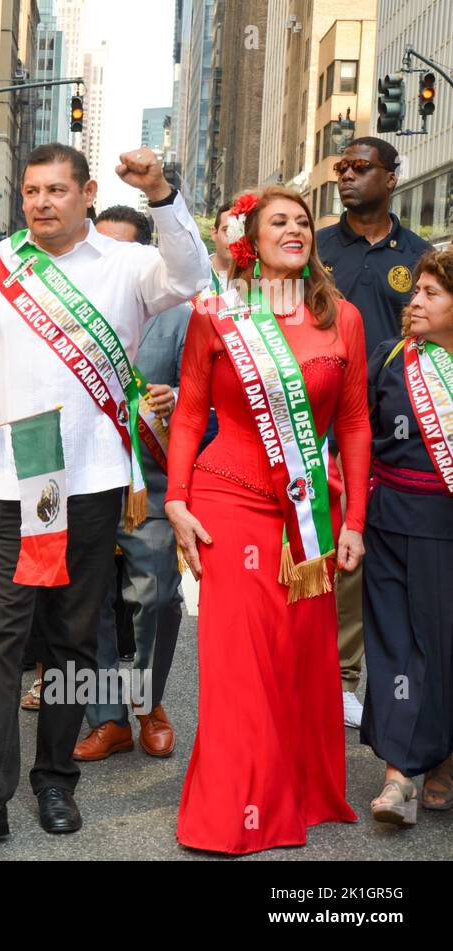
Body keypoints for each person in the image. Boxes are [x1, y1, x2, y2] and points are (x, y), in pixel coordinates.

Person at [0, 142, 209, 843]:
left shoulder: (128, 265)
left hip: (90, 480)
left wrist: (162, 193)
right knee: (0, 635)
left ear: (87, 192)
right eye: (31, 191)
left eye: (57, 190)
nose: (42, 203)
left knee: (72, 636)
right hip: (4, 478)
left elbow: (193, 272)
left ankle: (56, 779)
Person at [166, 186, 369, 854]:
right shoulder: (216, 313)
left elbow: (356, 422)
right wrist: (175, 500)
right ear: (251, 238)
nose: (296, 229)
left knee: (294, 659)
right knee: (237, 661)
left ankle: (294, 792)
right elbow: (191, 411)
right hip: (227, 499)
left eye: (304, 221)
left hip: (306, 511)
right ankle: (232, 809)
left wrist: (355, 520)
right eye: (278, 220)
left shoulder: (344, 319)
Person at [317, 136, 431, 730]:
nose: (348, 176)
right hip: (308, 420)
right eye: (343, 168)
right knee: (308, 544)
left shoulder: (417, 255)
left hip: (384, 431)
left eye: (361, 167)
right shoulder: (311, 249)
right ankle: (306, 665)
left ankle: (345, 677)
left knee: (359, 552)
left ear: (391, 177)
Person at [72, 206, 186, 762]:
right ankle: (107, 716)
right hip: (82, 480)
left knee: (159, 597)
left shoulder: (181, 314)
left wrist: (175, 404)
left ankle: (149, 700)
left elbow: (210, 402)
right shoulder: (64, 312)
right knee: (86, 601)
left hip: (156, 484)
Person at [361, 247, 453, 825]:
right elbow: (357, 434)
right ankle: (398, 774)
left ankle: (442, 758)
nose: (414, 301)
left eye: (432, 294)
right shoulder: (391, 357)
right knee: (394, 643)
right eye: (415, 291)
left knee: (441, 645)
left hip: (445, 526)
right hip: (391, 519)